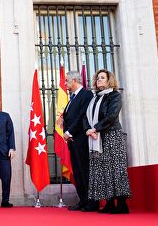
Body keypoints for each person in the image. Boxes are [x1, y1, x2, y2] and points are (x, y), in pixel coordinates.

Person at [83, 69, 131, 214]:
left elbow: (111, 115)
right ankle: (109, 203)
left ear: (109, 80)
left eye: (102, 78)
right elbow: (86, 117)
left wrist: (95, 129)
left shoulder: (114, 96)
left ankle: (122, 204)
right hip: (97, 137)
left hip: (111, 136)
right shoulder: (94, 98)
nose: (99, 80)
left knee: (116, 169)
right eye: (97, 78)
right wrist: (88, 130)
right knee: (103, 170)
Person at [63, 71, 99, 212]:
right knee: (77, 172)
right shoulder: (72, 97)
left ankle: (92, 202)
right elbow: (69, 117)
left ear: (75, 80)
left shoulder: (86, 95)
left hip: (82, 139)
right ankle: (83, 201)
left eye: (66, 81)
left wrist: (69, 132)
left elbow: (82, 116)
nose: (65, 84)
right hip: (73, 141)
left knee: (85, 171)